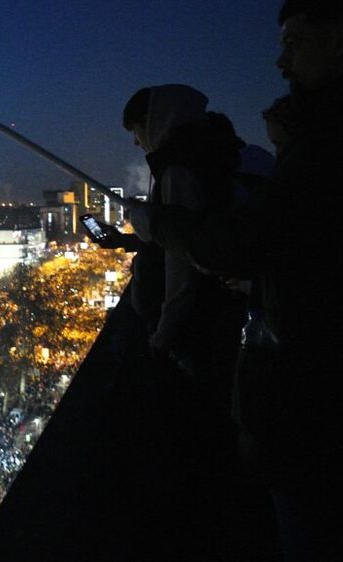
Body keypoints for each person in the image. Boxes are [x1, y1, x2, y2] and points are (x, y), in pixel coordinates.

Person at [130, 1, 343, 559]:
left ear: (338, 43)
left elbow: (236, 245)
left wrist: (154, 223)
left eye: (292, 43)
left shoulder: (340, 138)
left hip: (326, 401)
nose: (281, 61)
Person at [104, 85, 248, 409]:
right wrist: (129, 240)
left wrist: (164, 334)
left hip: (192, 329)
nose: (136, 141)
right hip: (208, 317)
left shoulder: (178, 168)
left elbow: (180, 258)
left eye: (136, 130)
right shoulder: (208, 155)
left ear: (155, 121)